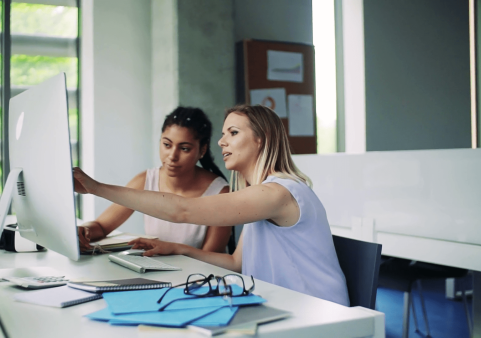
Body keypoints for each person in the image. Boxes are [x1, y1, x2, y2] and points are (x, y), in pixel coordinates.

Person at [73, 104, 350, 306]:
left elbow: (182, 210)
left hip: (318, 312)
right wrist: (176, 248)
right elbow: (235, 263)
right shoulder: (260, 195)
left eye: (232, 132)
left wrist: (95, 188)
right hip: (287, 306)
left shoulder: (277, 193)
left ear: (260, 139)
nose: (221, 141)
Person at [77, 107, 232, 253]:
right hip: (155, 274)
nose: (172, 156)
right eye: (167, 144)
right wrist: (84, 231)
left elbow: (211, 260)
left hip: (197, 279)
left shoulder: (220, 193)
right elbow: (102, 226)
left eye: (184, 148)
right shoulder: (145, 181)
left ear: (202, 150)